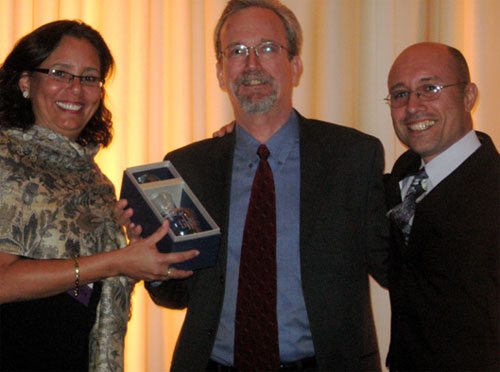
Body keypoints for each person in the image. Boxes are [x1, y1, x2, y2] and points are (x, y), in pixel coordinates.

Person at [136, 0, 389, 370]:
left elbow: (394, 268)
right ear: (221, 72)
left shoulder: (353, 157)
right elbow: (177, 296)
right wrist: (153, 264)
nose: (252, 64)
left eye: (268, 48)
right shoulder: (187, 166)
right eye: (236, 51)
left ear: (296, 65)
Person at [0, 20, 198, 372]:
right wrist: (116, 261)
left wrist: (142, 254)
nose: (76, 89)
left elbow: (91, 284)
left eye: (89, 78)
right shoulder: (4, 157)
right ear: (26, 82)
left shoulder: (94, 179)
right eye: (60, 73)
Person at [383, 42, 500, 371]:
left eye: (429, 88)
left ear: (468, 97)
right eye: (400, 94)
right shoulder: (400, 181)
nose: (413, 106)